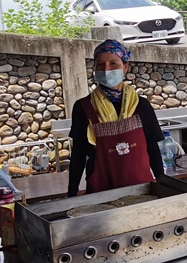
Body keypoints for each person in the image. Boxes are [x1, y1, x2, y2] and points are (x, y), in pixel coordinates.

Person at [67, 39, 164, 197]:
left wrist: (162, 184)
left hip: (142, 192)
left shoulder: (141, 105)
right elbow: (78, 155)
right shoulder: (83, 107)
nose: (106, 69)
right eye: (100, 65)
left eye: (113, 64)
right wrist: (72, 192)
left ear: (125, 67)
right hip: (101, 195)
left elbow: (153, 149)